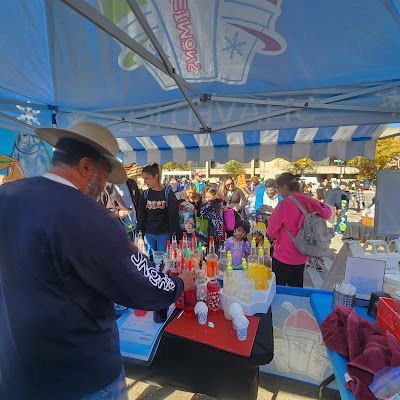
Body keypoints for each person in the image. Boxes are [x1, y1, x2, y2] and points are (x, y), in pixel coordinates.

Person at [0, 122, 195, 400]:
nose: (104, 184)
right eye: (105, 174)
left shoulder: (6, 196)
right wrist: (178, 283)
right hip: (79, 373)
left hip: (17, 370)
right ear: (86, 166)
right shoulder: (87, 214)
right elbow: (141, 282)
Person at [267, 172, 331, 287]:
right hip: (302, 254)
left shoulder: (284, 204)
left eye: (279, 188)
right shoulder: (307, 200)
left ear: (285, 187)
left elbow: (271, 232)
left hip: (283, 256)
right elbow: (327, 212)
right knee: (296, 291)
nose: (278, 191)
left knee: (278, 291)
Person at [137, 163, 181, 255]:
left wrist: (176, 237)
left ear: (156, 176)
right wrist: (140, 235)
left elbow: (173, 216)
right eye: (143, 178)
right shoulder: (145, 194)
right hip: (148, 234)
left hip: (164, 235)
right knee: (149, 262)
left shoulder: (168, 193)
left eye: (147, 178)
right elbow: (141, 216)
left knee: (162, 263)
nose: (145, 182)